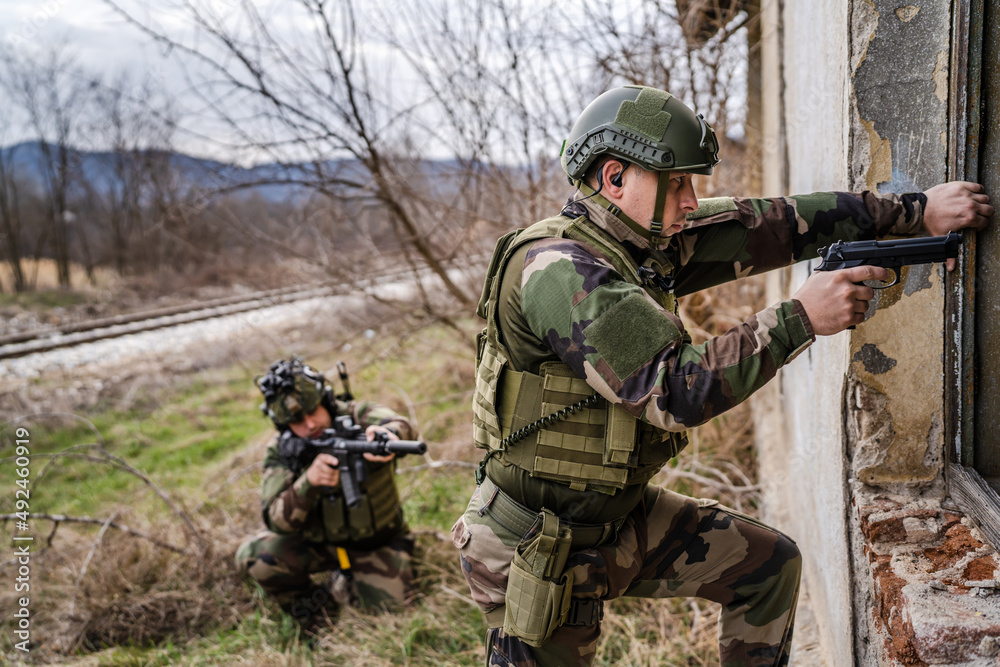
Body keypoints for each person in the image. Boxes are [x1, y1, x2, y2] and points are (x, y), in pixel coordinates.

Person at [452, 85, 993, 666]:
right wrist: (799, 318)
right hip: (536, 544)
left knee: (766, 567)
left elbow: (774, 225)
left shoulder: (639, 242)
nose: (691, 200)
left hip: (614, 517)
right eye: (678, 182)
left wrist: (914, 212)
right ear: (614, 178)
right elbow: (674, 392)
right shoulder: (561, 268)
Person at [236, 357, 419, 631]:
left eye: (313, 411)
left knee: (389, 616)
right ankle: (317, 615)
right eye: (296, 420)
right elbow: (276, 520)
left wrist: (386, 435)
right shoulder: (283, 450)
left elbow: (400, 424)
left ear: (326, 400)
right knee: (256, 558)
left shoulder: (358, 414)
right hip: (323, 545)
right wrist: (308, 483)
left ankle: (355, 579)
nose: (309, 424)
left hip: (378, 541)